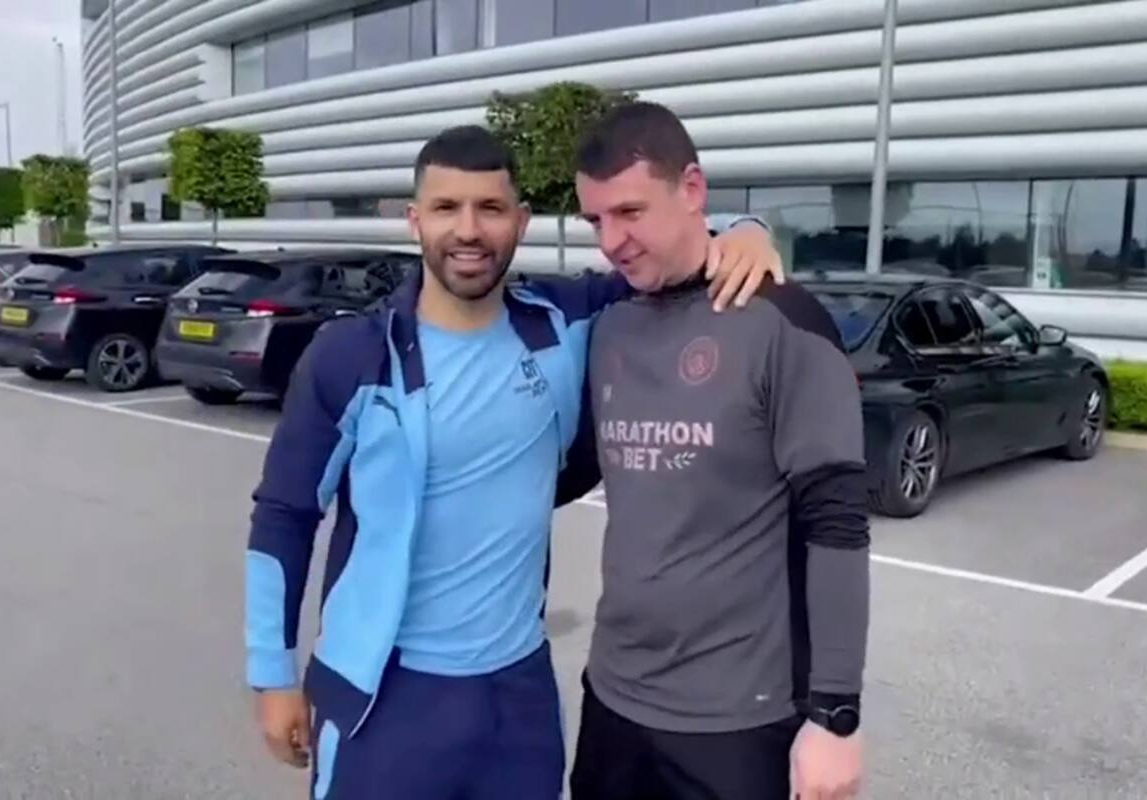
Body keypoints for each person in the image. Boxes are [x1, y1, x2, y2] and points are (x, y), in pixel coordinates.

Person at [243, 123, 784, 800]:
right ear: (415, 221)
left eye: (490, 209)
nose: (468, 230)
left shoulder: (562, 320)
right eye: (446, 208)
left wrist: (747, 228)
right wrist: (271, 673)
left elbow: (668, 243)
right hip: (385, 699)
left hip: (517, 698)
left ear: (521, 223)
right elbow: (285, 514)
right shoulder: (352, 356)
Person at [567, 101, 870, 800]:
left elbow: (838, 525)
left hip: (737, 722)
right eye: (596, 220)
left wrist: (836, 715)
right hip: (613, 699)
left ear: (693, 190)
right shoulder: (609, 324)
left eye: (631, 213)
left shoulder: (784, 322)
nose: (612, 241)